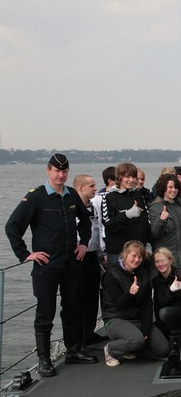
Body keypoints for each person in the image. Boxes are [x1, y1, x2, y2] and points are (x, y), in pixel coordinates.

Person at [5, 154, 98, 377]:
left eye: (64, 171)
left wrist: (84, 243)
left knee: (73, 308)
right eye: (56, 171)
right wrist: (25, 254)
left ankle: (73, 350)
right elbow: (13, 226)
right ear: (48, 171)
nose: (61, 175)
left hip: (71, 263)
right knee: (45, 313)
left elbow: (85, 222)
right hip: (46, 265)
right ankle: (44, 360)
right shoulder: (36, 197)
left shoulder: (71, 195)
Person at [102, 240, 169, 367]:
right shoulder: (111, 275)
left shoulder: (143, 273)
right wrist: (130, 293)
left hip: (136, 318)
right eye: (134, 256)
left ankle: (130, 347)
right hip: (116, 318)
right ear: (125, 255)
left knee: (163, 350)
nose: (137, 259)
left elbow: (147, 304)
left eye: (140, 256)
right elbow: (118, 304)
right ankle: (111, 349)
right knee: (136, 340)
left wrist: (146, 328)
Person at [73, 174, 104, 349]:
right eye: (91, 186)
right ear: (80, 188)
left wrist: (100, 254)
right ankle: (78, 338)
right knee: (79, 298)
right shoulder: (73, 210)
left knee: (92, 297)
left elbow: (97, 231)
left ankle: (89, 333)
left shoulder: (92, 206)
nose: (95, 188)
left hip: (92, 255)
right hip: (79, 257)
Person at [102, 162, 151, 267]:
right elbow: (109, 224)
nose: (131, 180)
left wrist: (147, 244)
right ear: (119, 177)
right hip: (118, 251)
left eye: (133, 177)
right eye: (127, 176)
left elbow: (146, 221)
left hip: (139, 250)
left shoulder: (138, 195)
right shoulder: (109, 197)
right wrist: (126, 215)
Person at [149, 173, 181, 273]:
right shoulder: (155, 207)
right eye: (170, 187)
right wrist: (161, 220)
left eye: (176, 187)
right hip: (165, 258)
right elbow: (154, 234)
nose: (174, 190)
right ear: (163, 188)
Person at [152, 247, 181, 341]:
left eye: (163, 260)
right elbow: (158, 304)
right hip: (166, 315)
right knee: (153, 329)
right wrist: (171, 291)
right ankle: (172, 333)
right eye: (157, 261)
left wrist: (172, 307)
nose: (160, 264)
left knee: (165, 312)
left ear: (170, 260)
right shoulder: (156, 280)